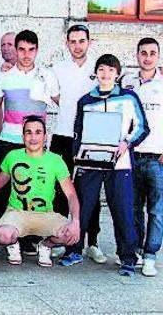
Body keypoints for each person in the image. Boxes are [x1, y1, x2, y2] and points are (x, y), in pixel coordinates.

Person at [59, 55, 148, 276]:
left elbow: (142, 127)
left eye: (110, 70)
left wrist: (126, 143)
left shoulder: (129, 98)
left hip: (119, 165)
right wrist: (78, 160)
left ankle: (127, 258)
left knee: (122, 210)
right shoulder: (86, 100)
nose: (105, 74)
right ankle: (74, 250)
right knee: (83, 208)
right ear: (96, 73)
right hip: (91, 163)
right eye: (101, 69)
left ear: (117, 74)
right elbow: (78, 134)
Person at [50, 24, 104, 263]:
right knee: (61, 191)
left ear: (89, 42)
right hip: (63, 135)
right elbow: (53, 94)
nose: (77, 46)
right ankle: (64, 239)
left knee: (89, 191)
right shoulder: (58, 68)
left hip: (92, 138)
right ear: (67, 43)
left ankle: (92, 241)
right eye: (73, 41)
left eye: (82, 41)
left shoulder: (98, 68)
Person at [0, 30, 59, 231]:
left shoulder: (47, 76)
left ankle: (31, 237)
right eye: (21, 49)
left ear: (37, 50)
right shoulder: (3, 76)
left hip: (35, 143)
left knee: (36, 190)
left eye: (31, 50)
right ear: (16, 49)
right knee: (1, 189)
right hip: (7, 140)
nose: (26, 54)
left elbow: (62, 104)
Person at [0, 116, 80, 268]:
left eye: (38, 132)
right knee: (4, 235)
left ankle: (45, 245)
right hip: (17, 212)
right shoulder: (13, 156)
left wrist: (75, 221)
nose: (33, 137)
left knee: (70, 235)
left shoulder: (55, 160)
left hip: (45, 214)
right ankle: (13, 245)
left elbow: (71, 195)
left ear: (45, 136)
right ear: (23, 136)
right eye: (28, 132)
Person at [122, 37, 163, 277]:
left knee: (157, 210)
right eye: (143, 53)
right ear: (137, 55)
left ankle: (150, 255)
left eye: (152, 53)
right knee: (133, 207)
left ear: (158, 56)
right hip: (132, 155)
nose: (147, 57)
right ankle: (135, 250)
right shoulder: (128, 83)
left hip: (157, 158)